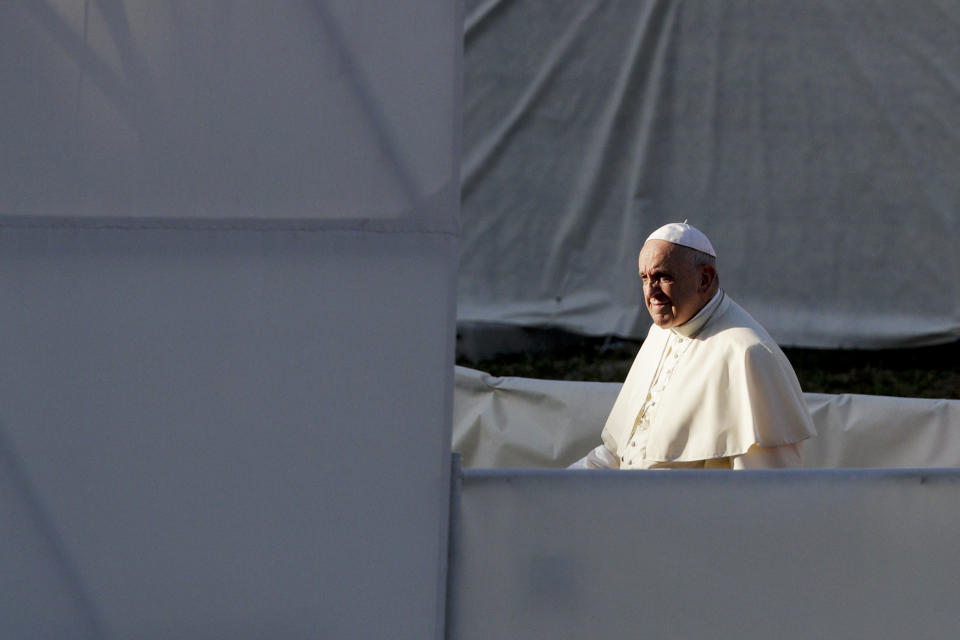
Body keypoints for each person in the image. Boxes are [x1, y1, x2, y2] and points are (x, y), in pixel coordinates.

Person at [571, 222, 816, 470]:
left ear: (704, 279)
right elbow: (618, 452)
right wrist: (561, 484)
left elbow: (762, 487)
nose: (651, 292)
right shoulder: (660, 332)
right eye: (645, 278)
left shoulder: (747, 354)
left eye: (663, 277)